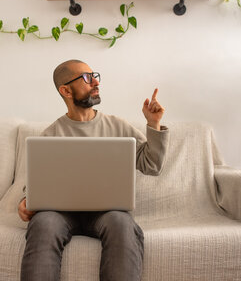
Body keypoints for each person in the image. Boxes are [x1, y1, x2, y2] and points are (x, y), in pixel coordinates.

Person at [18, 59, 169, 281]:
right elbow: (36, 185)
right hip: (59, 214)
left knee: (122, 224)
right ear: (66, 90)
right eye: (87, 78)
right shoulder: (51, 134)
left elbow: (152, 165)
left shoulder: (118, 126)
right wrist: (25, 203)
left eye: (94, 75)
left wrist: (153, 124)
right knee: (42, 223)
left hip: (107, 213)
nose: (96, 82)